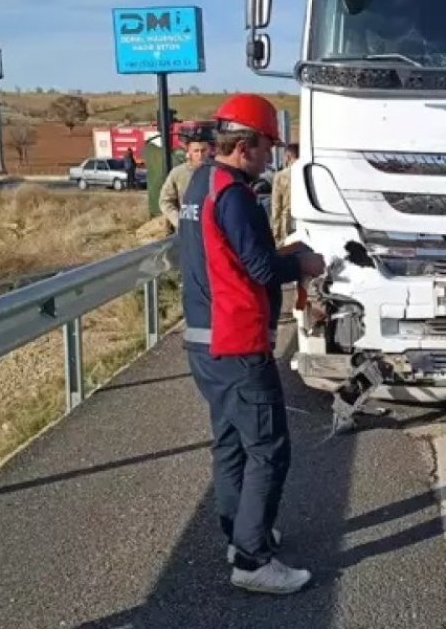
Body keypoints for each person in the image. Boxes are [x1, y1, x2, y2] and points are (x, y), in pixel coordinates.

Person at [177, 93, 326, 595]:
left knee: (231, 444)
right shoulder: (235, 195)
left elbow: (229, 257)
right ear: (245, 145)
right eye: (266, 146)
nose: (270, 155)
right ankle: (252, 559)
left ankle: (241, 533)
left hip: (204, 340)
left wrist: (274, 251)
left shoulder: (202, 184)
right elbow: (260, 268)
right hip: (237, 343)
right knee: (268, 449)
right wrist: (301, 263)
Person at [160, 137, 211, 231]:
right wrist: (179, 222)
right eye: (196, 151)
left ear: (209, 151)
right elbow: (165, 201)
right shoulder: (178, 173)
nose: (200, 155)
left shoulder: (215, 172)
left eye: (203, 150)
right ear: (189, 153)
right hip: (187, 229)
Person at [270, 143, 299, 247]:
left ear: (288, 157)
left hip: (287, 224)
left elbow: (276, 207)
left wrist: (276, 234)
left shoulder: (281, 176)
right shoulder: (310, 172)